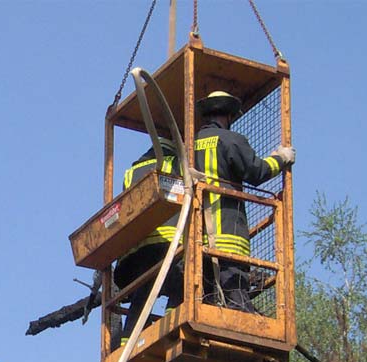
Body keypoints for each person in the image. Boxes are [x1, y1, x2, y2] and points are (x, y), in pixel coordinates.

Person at [193, 90, 295, 312]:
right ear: (228, 116)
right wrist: (281, 158)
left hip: (195, 238)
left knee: (207, 297)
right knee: (236, 293)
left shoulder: (189, 146)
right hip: (229, 231)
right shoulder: (231, 139)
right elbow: (256, 172)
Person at [112, 139, 185, 347]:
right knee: (182, 283)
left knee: (142, 294)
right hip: (164, 242)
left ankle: (128, 340)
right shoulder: (172, 164)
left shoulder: (131, 172)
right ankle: (174, 322)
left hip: (137, 250)